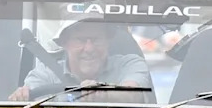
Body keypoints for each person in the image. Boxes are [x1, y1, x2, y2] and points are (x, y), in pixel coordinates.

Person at [9, 14, 153, 102]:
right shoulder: (43, 74)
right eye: (81, 40)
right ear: (64, 43)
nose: (89, 49)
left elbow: (134, 94)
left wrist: (103, 93)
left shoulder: (130, 64)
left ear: (109, 41)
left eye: (96, 40)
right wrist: (20, 98)